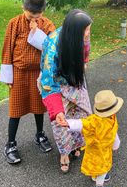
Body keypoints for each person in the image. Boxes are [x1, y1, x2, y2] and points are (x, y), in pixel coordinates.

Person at [0, 0, 56, 164]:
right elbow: (7, 48)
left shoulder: (46, 24)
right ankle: (10, 144)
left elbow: (53, 46)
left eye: (37, 16)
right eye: (30, 16)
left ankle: (40, 135)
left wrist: (35, 32)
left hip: (38, 73)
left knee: (38, 107)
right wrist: (8, 75)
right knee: (16, 109)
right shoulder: (14, 23)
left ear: (42, 13)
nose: (33, 19)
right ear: (24, 9)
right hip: (19, 72)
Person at [38, 9, 93, 172]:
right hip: (55, 85)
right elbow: (48, 82)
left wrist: (83, 63)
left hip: (74, 79)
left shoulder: (81, 34)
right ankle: (64, 153)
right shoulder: (53, 44)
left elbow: (85, 50)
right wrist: (57, 110)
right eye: (86, 29)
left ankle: (77, 144)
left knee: (82, 113)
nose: (88, 33)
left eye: (89, 28)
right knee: (60, 121)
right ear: (75, 31)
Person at [65, 90, 123, 187]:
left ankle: (96, 175)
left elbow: (114, 132)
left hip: (101, 149)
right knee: (103, 168)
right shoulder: (95, 121)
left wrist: (116, 143)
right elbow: (81, 124)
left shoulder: (111, 117)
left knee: (96, 166)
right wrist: (67, 123)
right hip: (99, 151)